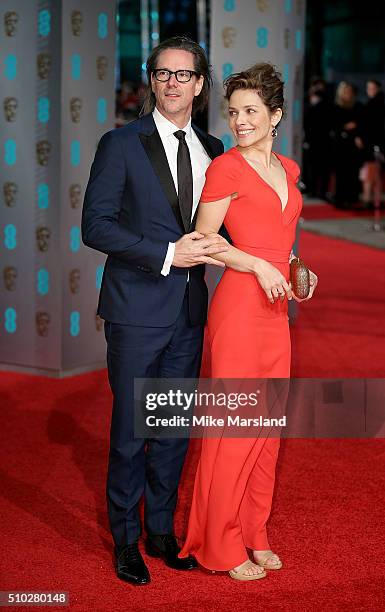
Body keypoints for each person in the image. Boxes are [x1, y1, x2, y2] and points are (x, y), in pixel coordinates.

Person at [82, 36, 228, 586]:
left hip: (191, 310)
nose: (174, 83)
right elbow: (95, 225)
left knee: (171, 428)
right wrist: (168, 253)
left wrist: (280, 261)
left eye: (184, 75)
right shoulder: (121, 143)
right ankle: (125, 538)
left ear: (200, 84)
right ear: (152, 81)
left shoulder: (216, 149)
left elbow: (230, 230)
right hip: (136, 309)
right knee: (131, 430)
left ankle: (160, 529)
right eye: (163, 74)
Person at [179, 63, 318, 581]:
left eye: (250, 111)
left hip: (277, 310)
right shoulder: (227, 169)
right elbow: (203, 241)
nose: (238, 121)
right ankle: (220, 542)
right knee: (234, 430)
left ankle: (255, 531)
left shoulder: (290, 168)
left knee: (265, 431)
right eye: (233, 111)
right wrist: (256, 264)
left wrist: (296, 269)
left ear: (275, 115)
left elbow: (281, 238)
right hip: (239, 307)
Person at [331, 81, 364, 208]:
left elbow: (362, 123)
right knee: (341, 172)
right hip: (340, 145)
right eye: (345, 91)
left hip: (353, 145)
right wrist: (345, 127)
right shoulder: (336, 107)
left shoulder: (357, 106)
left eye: (350, 92)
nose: (348, 94)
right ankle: (340, 198)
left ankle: (352, 197)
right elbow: (333, 125)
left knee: (353, 172)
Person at [360, 79, 385, 207]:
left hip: (374, 143)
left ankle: (368, 198)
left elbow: (370, 125)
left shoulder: (376, 104)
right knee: (375, 172)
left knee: (371, 172)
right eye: (368, 88)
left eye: (372, 88)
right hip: (374, 142)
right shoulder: (375, 102)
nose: (369, 90)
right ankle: (373, 198)